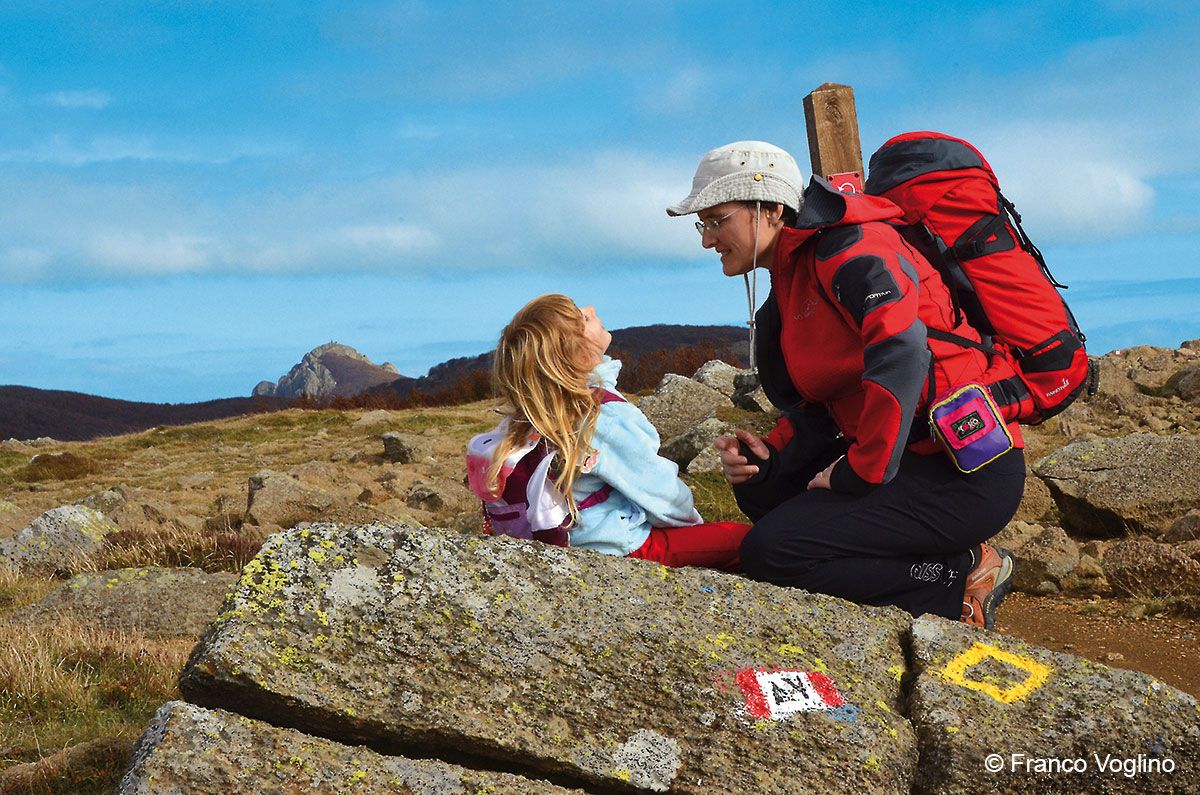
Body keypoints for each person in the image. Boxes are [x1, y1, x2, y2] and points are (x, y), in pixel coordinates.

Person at [665, 141, 1026, 628]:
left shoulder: (851, 247)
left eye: (716, 220)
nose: (707, 240)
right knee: (764, 491)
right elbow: (827, 399)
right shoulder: (791, 278)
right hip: (907, 458)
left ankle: (957, 575)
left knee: (773, 553)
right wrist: (773, 455)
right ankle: (929, 554)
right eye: (702, 224)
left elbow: (902, 352)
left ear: (770, 208)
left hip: (960, 469)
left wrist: (860, 471)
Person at [468, 293, 750, 570]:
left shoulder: (531, 418)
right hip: (616, 548)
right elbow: (661, 493)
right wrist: (695, 527)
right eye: (584, 316)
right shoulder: (603, 417)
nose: (591, 307)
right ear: (578, 353)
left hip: (565, 546)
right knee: (747, 541)